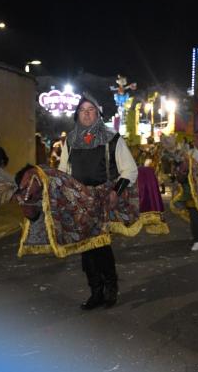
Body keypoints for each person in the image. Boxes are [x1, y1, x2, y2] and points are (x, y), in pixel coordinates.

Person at [58, 95, 138, 310]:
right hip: (79, 201)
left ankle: (110, 289)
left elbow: (130, 170)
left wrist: (115, 192)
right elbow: (63, 171)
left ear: (98, 114)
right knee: (85, 248)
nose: (86, 113)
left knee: (101, 246)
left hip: (102, 200)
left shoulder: (112, 139)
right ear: (77, 114)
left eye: (91, 109)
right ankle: (95, 291)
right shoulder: (70, 141)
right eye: (82, 109)